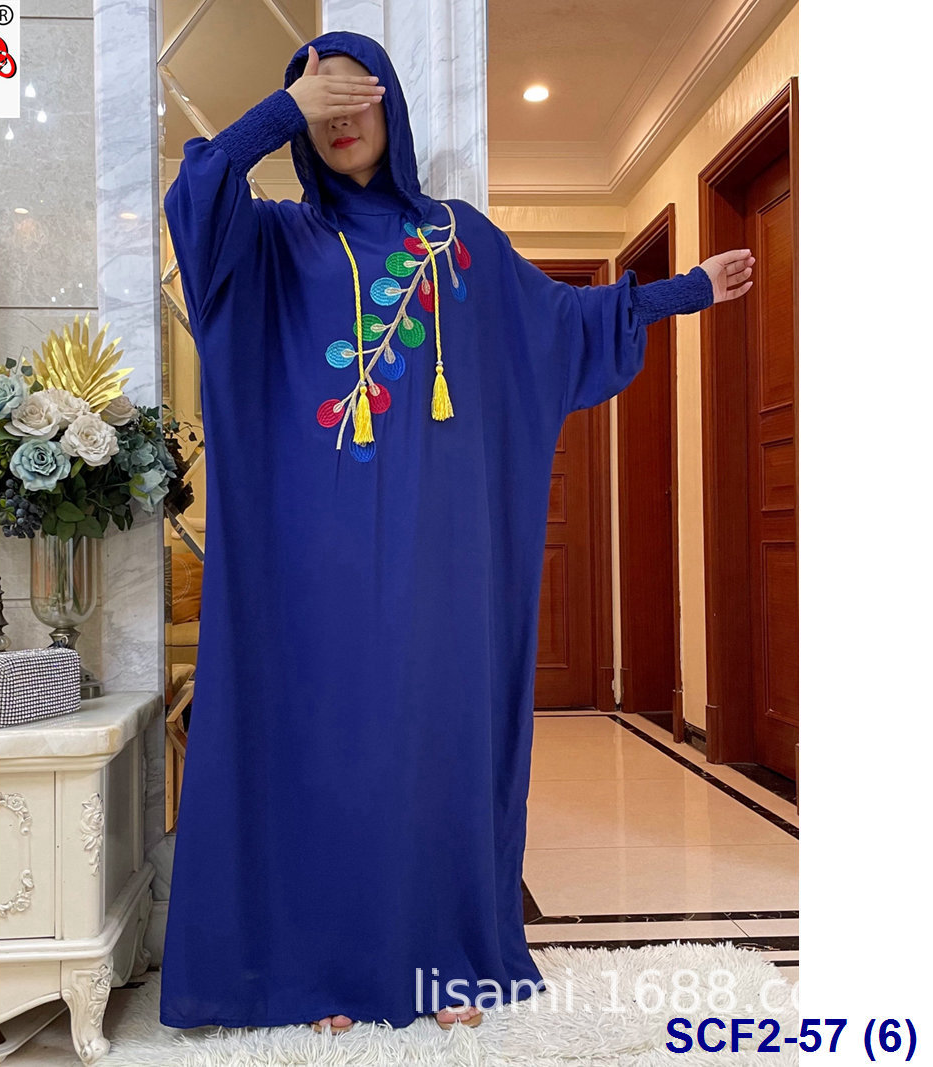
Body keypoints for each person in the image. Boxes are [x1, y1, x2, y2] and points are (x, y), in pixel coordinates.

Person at [159, 29, 754, 1036]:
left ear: (393, 105)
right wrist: (283, 107)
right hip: (309, 564)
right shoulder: (270, 242)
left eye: (358, 91)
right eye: (319, 99)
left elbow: (559, 322)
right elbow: (198, 193)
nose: (341, 114)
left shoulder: (457, 240)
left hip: (440, 560)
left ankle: (439, 953)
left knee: (432, 740)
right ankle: (320, 963)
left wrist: (682, 291)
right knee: (324, 747)